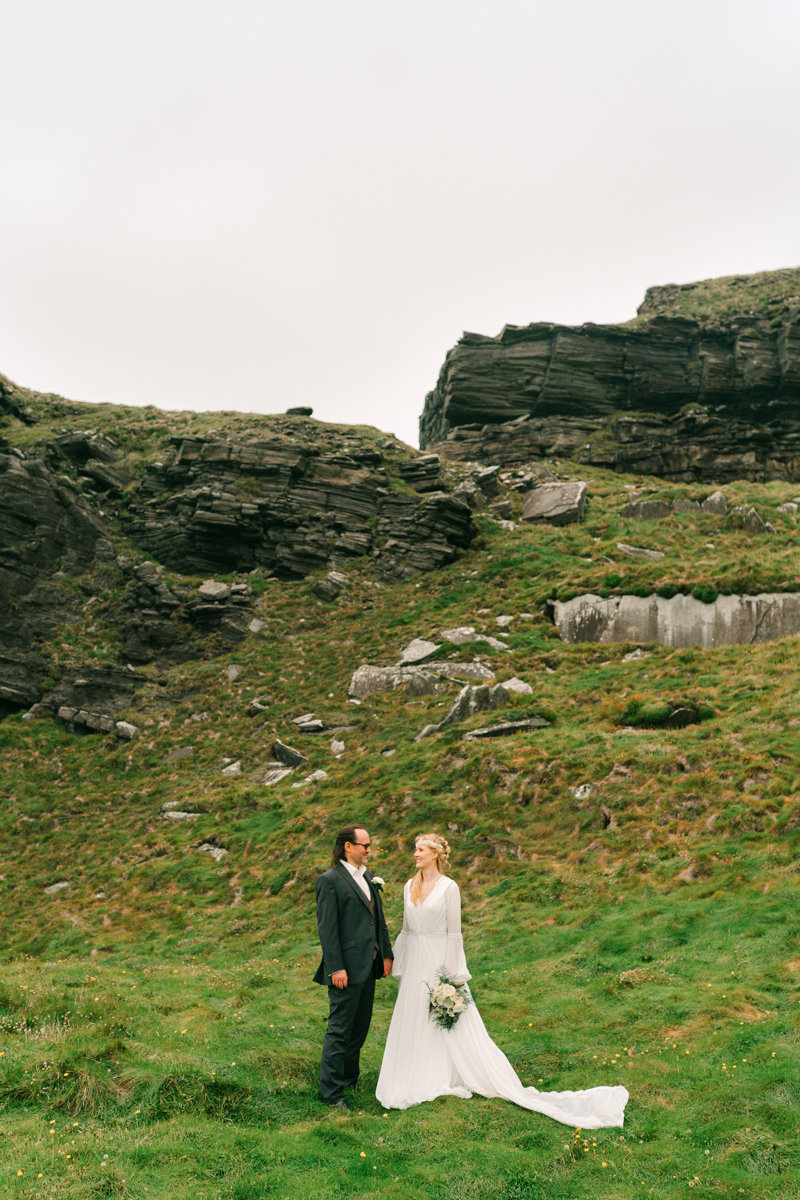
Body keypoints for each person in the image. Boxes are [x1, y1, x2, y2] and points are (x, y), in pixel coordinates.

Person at [375, 833, 628, 1128]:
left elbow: (454, 933)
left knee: (448, 1020)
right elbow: (406, 930)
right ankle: (413, 1076)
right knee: (414, 1016)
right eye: (415, 849)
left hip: (438, 960)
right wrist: (400, 962)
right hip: (417, 958)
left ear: (435, 854)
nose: (415, 854)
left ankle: (447, 1074)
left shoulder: (449, 888)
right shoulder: (410, 886)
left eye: (420, 850)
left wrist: (453, 976)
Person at [314, 824, 394, 1113]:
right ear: (348, 847)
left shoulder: (368, 878)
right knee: (339, 1030)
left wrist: (385, 954)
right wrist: (336, 968)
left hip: (369, 965)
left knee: (359, 1029)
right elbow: (327, 929)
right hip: (345, 969)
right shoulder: (330, 880)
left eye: (369, 845)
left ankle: (348, 1079)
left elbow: (378, 919)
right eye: (364, 845)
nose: (369, 850)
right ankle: (332, 1093)